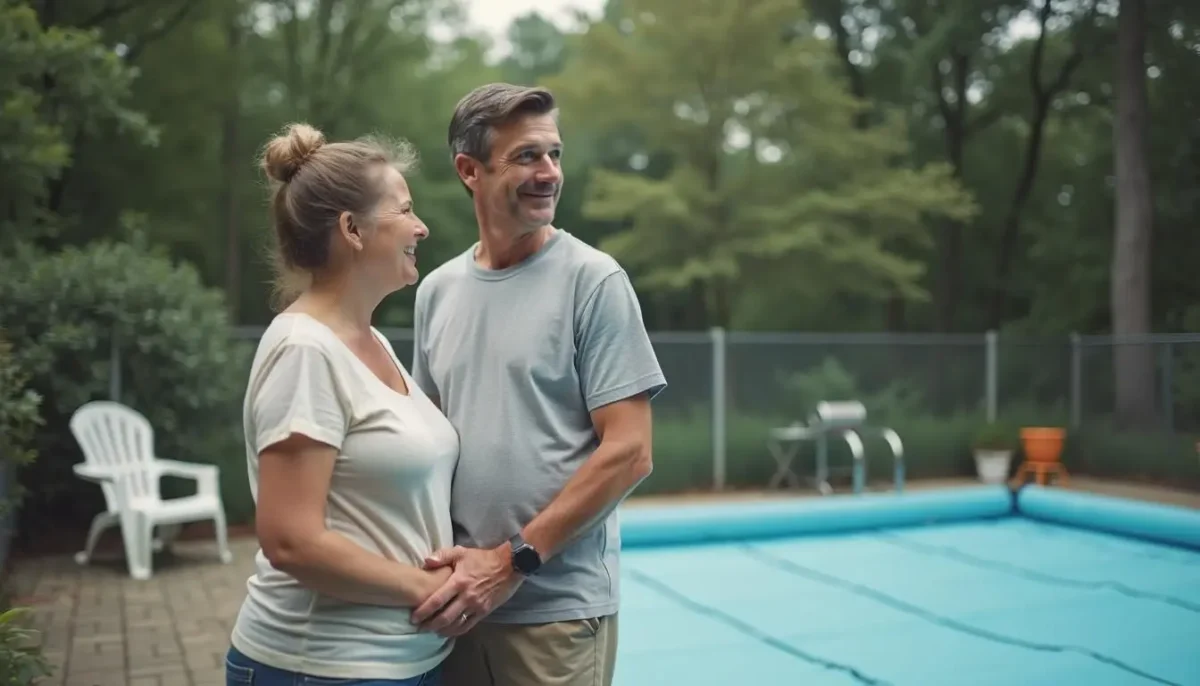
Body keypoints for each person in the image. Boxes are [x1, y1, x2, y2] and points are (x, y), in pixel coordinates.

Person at [408, 83, 667, 686]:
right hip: (457, 605)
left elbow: (630, 453)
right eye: (527, 156)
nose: (549, 172)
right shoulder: (436, 292)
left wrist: (512, 562)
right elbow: (428, 445)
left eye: (554, 154)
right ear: (469, 170)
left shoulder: (594, 282)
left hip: (555, 615)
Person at [225, 122, 458, 686]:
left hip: (403, 662)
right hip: (322, 666)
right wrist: (427, 588)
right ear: (352, 229)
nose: (421, 227)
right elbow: (291, 540)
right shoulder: (305, 350)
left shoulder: (371, 340)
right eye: (404, 210)